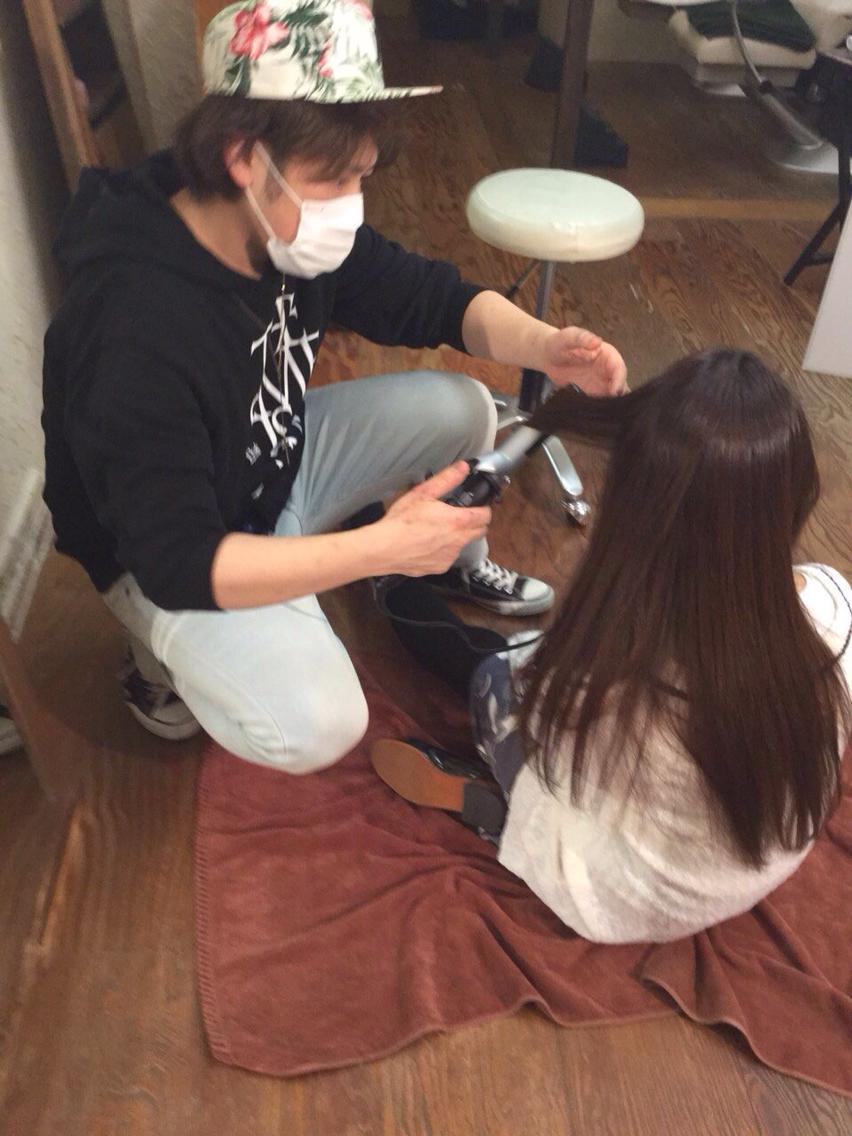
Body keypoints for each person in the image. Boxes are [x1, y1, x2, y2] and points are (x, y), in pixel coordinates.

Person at [41, 0, 626, 769]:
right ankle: (156, 662)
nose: (350, 205)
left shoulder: (277, 223)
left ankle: (436, 561)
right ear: (242, 157)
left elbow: (433, 298)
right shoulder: (134, 325)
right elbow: (179, 559)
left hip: (264, 465)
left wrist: (546, 346)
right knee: (320, 723)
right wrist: (378, 549)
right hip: (167, 554)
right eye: (334, 179)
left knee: (460, 408)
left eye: (361, 176)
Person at [371, 349, 852, 943]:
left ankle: (384, 576)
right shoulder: (834, 600)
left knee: (494, 675)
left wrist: (382, 548)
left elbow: (557, 746)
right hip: (755, 866)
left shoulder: (631, 688)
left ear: (634, 510)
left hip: (623, 894)